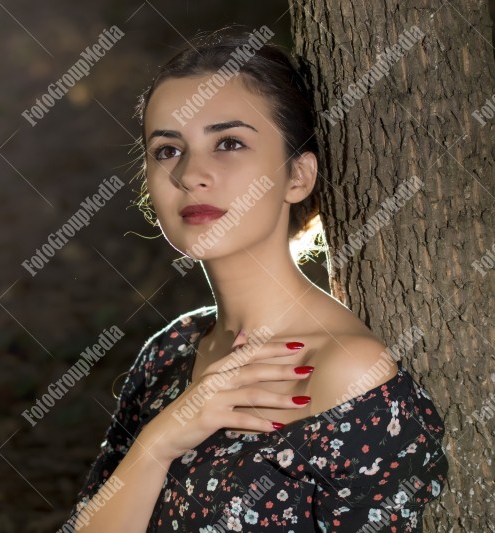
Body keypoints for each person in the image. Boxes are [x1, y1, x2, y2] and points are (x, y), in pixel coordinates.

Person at [63, 29, 448, 532]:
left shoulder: (348, 375)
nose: (190, 175)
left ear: (297, 176)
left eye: (229, 143)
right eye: (167, 150)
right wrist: (160, 442)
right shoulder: (172, 350)